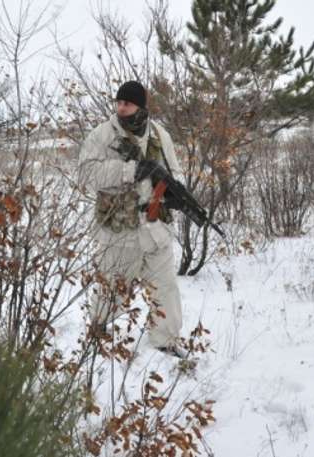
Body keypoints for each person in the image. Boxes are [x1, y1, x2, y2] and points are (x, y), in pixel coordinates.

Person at [77, 80, 186, 358]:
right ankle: (98, 333)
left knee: (166, 288)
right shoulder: (103, 135)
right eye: (119, 102)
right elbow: (87, 175)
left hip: (155, 229)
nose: (121, 108)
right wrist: (130, 170)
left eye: (127, 103)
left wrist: (174, 193)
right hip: (119, 229)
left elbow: (175, 171)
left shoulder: (160, 136)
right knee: (111, 288)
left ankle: (166, 341)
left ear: (140, 106)